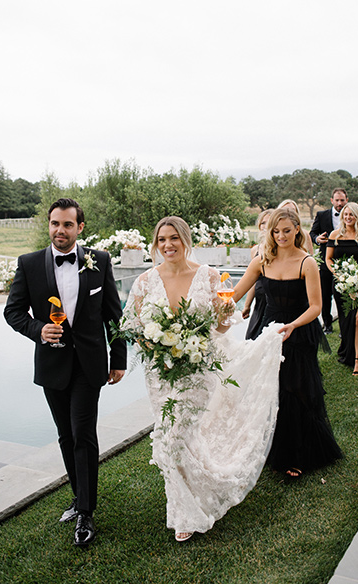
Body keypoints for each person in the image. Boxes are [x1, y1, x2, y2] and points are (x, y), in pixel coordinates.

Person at [123, 216, 283, 541]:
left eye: (174, 238)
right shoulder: (144, 281)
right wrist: (154, 344)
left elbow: (222, 326)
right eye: (162, 239)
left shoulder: (209, 276)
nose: (168, 245)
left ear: (185, 240)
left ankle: (186, 513)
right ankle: (191, 494)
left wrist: (223, 316)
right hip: (160, 373)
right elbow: (133, 327)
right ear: (155, 243)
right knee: (178, 438)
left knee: (172, 441)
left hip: (197, 369)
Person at [4, 198, 126, 547]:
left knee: (83, 433)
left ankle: (86, 513)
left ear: (80, 228)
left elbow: (112, 314)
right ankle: (78, 496)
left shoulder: (99, 260)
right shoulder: (28, 264)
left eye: (68, 224)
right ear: (49, 225)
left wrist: (118, 358)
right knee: (65, 435)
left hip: (89, 364)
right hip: (52, 364)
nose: (60, 230)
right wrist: (37, 329)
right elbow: (13, 312)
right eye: (55, 223)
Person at [234, 208, 342, 479]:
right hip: (269, 332)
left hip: (298, 331)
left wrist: (294, 325)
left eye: (285, 230)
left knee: (296, 390)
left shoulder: (306, 262)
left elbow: (317, 306)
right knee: (270, 390)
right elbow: (234, 293)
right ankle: (270, 448)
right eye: (275, 231)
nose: (280, 236)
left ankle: (297, 454)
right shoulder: (262, 260)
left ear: (297, 229)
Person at [325, 203, 358, 375]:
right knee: (344, 320)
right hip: (341, 284)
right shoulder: (335, 235)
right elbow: (328, 259)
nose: (348, 217)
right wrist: (339, 274)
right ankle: (346, 351)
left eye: (352, 214)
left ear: (357, 216)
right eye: (345, 214)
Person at [310, 188, 349, 333]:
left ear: (346, 200)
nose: (339, 203)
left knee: (343, 295)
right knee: (325, 295)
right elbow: (312, 233)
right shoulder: (322, 215)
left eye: (342, 200)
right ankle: (327, 324)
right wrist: (317, 239)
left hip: (345, 262)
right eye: (337, 200)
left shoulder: (350, 215)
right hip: (325, 261)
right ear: (332, 201)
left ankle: (344, 325)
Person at [242, 208, 273, 339]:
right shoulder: (255, 250)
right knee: (252, 338)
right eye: (263, 223)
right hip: (260, 302)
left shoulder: (281, 249)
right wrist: (247, 305)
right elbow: (251, 280)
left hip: (274, 300)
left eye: (269, 222)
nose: (265, 226)